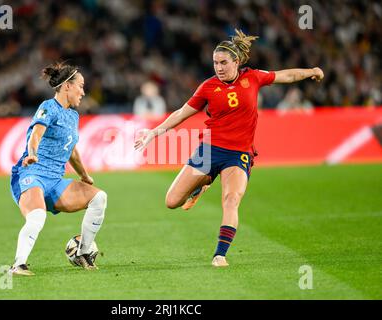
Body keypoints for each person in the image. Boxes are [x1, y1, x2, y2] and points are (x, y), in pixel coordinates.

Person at [135, 29, 324, 267]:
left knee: (231, 199)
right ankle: (203, 183)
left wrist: (312, 72)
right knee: (172, 201)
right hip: (208, 150)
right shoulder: (207, 87)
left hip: (239, 154)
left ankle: (220, 254)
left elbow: (285, 76)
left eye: (224, 62)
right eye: (215, 63)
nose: (219, 67)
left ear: (237, 61)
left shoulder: (253, 77)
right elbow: (182, 113)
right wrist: (153, 132)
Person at [9, 62, 107, 275]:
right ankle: (18, 264)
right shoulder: (47, 107)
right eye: (80, 86)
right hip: (32, 173)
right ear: (67, 87)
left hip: (55, 181)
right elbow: (36, 134)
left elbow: (71, 151)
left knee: (99, 198)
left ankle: (82, 252)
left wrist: (84, 175)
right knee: (37, 216)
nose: (83, 91)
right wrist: (32, 153)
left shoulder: (73, 115)